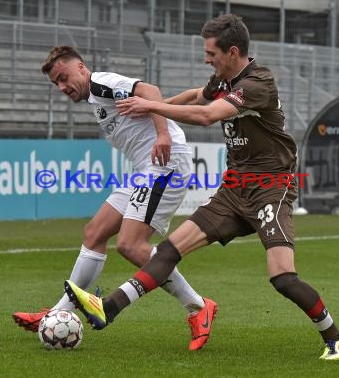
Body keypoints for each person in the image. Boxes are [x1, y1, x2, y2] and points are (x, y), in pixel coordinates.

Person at [63, 14, 339, 361]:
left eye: (211, 53)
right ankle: (106, 308)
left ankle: (336, 337)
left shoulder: (258, 84)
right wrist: (160, 105)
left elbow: (207, 115)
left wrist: (151, 104)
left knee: (283, 278)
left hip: (270, 186)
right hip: (233, 188)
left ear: (233, 52)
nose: (206, 59)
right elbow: (197, 96)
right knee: (169, 250)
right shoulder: (222, 79)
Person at [12, 46, 218, 351]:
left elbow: (150, 89)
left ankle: (198, 307)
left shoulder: (101, 83)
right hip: (144, 170)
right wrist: (153, 111)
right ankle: (59, 312)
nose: (62, 87)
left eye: (64, 77)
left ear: (81, 68)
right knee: (94, 232)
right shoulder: (97, 98)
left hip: (165, 164)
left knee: (130, 245)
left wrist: (162, 134)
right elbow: (149, 103)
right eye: (56, 83)